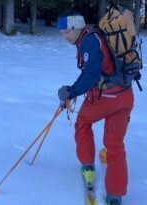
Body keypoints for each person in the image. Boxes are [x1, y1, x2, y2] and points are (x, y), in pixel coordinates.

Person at [56, 12, 134, 205]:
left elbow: (91, 74)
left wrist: (71, 92)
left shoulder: (89, 41)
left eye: (66, 32)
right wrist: (73, 90)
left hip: (105, 97)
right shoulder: (97, 34)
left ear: (76, 28)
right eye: (61, 33)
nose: (65, 37)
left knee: (82, 123)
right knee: (115, 144)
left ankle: (88, 166)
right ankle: (115, 196)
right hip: (125, 95)